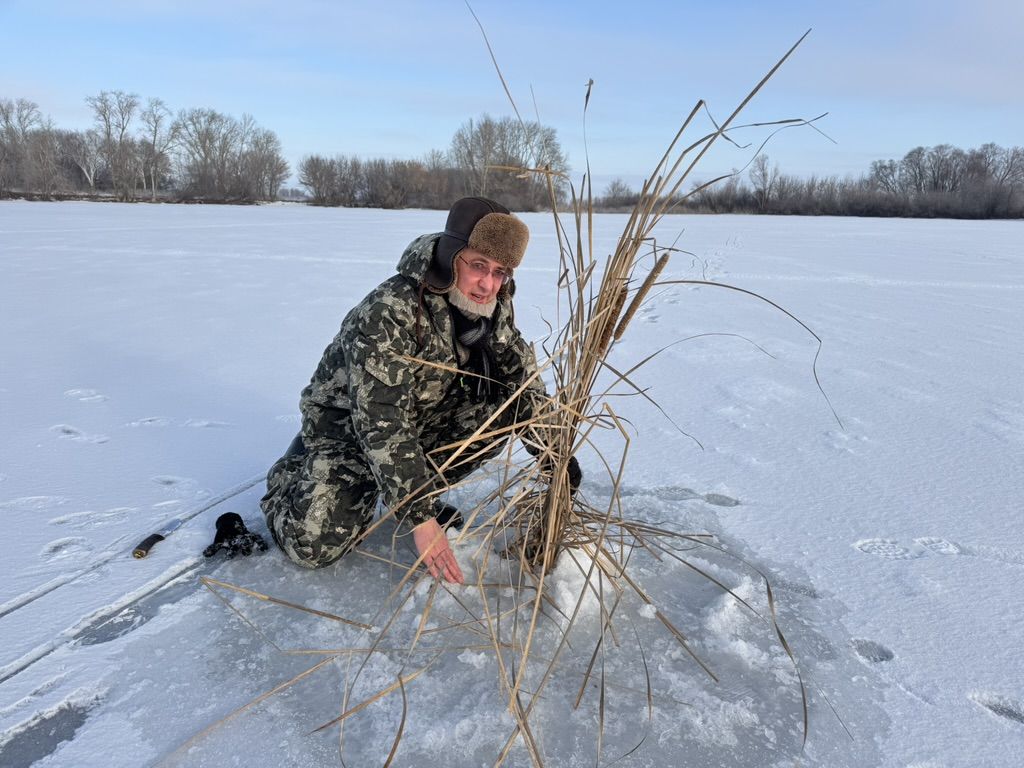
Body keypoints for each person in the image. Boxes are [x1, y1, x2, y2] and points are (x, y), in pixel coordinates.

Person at [260, 197, 580, 584]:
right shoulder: (391, 310)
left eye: (501, 272)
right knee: (313, 548)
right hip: (350, 433)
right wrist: (420, 518)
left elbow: (520, 380)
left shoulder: (494, 303)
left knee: (501, 408)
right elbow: (382, 420)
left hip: (423, 416)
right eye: (478, 265)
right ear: (451, 256)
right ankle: (293, 471)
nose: (488, 284)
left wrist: (554, 453)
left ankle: (403, 489)